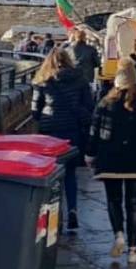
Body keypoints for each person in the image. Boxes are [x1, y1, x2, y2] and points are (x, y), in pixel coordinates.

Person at [86, 61, 136, 262]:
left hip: (110, 159)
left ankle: (118, 234)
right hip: (135, 160)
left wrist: (90, 154)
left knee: (113, 200)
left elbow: (94, 131)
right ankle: (133, 249)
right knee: (134, 203)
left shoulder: (104, 102)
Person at [31, 47, 94, 231]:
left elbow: (35, 112)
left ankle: (53, 215)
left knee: (52, 174)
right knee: (70, 173)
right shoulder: (80, 80)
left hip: (49, 133)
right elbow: (89, 105)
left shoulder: (42, 82)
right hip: (72, 130)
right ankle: (73, 209)